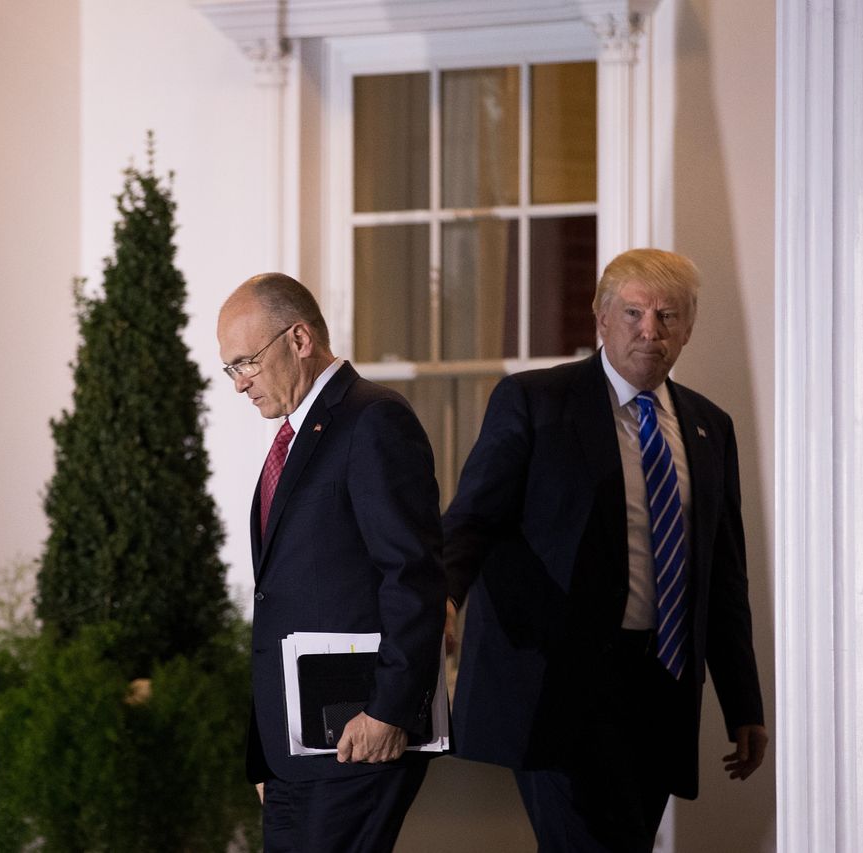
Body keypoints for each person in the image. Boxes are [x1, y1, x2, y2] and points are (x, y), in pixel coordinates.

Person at [443, 249, 767, 852]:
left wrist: (744, 702)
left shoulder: (708, 426)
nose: (651, 331)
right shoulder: (535, 402)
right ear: (601, 317)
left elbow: (723, 575)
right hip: (554, 683)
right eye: (634, 312)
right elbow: (472, 519)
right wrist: (441, 596)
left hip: (659, 685)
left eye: (668, 316)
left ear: (689, 328)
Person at [217, 272, 445, 852]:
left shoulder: (372, 419)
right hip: (297, 751)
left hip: (359, 738)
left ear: (298, 340)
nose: (240, 385)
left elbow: (412, 574)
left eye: (246, 362)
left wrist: (389, 711)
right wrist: (271, 754)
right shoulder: (298, 436)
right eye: (231, 369)